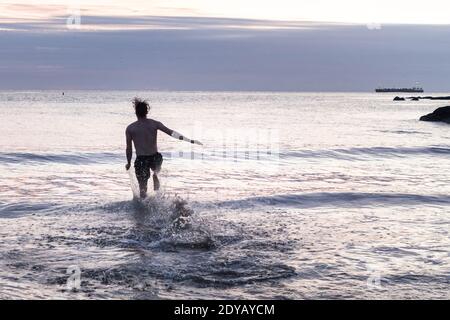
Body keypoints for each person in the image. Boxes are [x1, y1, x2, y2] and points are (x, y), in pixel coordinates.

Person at [125, 98, 202, 199]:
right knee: (157, 166)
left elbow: (129, 148)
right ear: (147, 111)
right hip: (154, 157)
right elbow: (171, 133)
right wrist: (189, 140)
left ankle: (143, 208)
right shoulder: (154, 124)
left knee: (142, 189)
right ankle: (155, 173)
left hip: (141, 160)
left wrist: (129, 162)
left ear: (136, 112)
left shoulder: (131, 128)